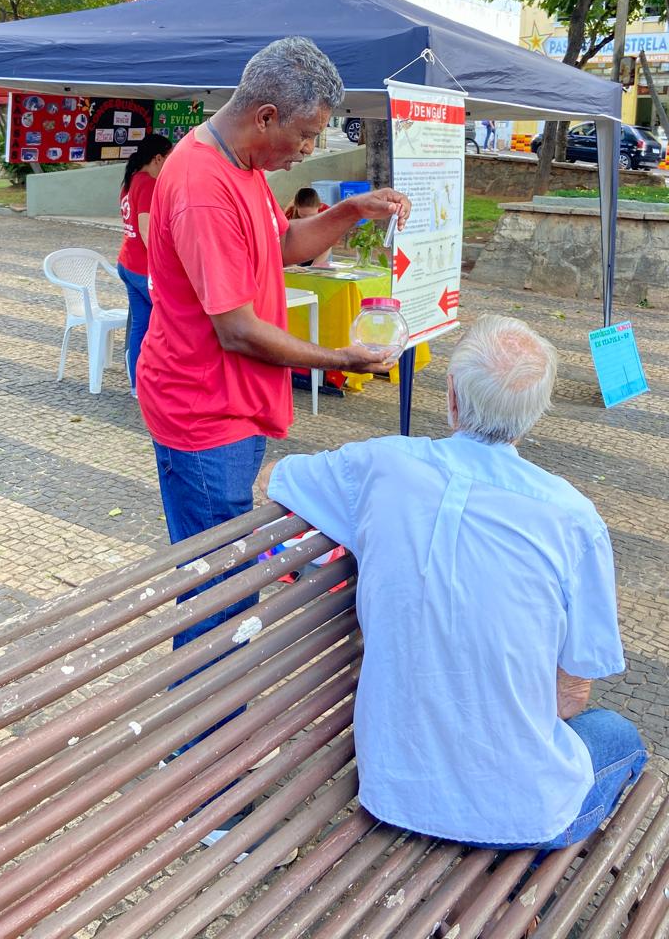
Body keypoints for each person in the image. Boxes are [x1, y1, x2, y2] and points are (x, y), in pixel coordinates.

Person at [261, 314, 646, 850]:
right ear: (533, 417)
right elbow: (571, 695)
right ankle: (513, 877)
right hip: (520, 812)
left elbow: (273, 479)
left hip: (393, 790)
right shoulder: (573, 519)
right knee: (619, 736)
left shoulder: (383, 465)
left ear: (452, 397)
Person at [136, 35, 410, 654]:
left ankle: (210, 736)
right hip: (204, 415)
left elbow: (281, 244)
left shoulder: (245, 166)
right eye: (307, 137)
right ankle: (201, 746)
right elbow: (235, 328)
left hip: (232, 408)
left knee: (229, 585)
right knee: (221, 598)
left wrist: (353, 212)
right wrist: (339, 360)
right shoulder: (205, 184)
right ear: (265, 117)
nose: (309, 152)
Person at [117, 133, 173, 391]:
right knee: (172, 322)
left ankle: (137, 386)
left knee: (141, 324)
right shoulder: (148, 183)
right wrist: (167, 262)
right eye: (168, 160)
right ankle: (159, 384)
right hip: (143, 268)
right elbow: (146, 230)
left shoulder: (130, 180)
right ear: (158, 158)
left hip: (127, 263)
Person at [284, 186, 331, 266]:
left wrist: (314, 267)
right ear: (296, 207)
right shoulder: (289, 215)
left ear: (319, 207)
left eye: (312, 215)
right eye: (303, 215)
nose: (307, 219)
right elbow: (284, 245)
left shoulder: (327, 213)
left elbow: (328, 244)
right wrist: (292, 266)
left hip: (321, 251)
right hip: (296, 251)